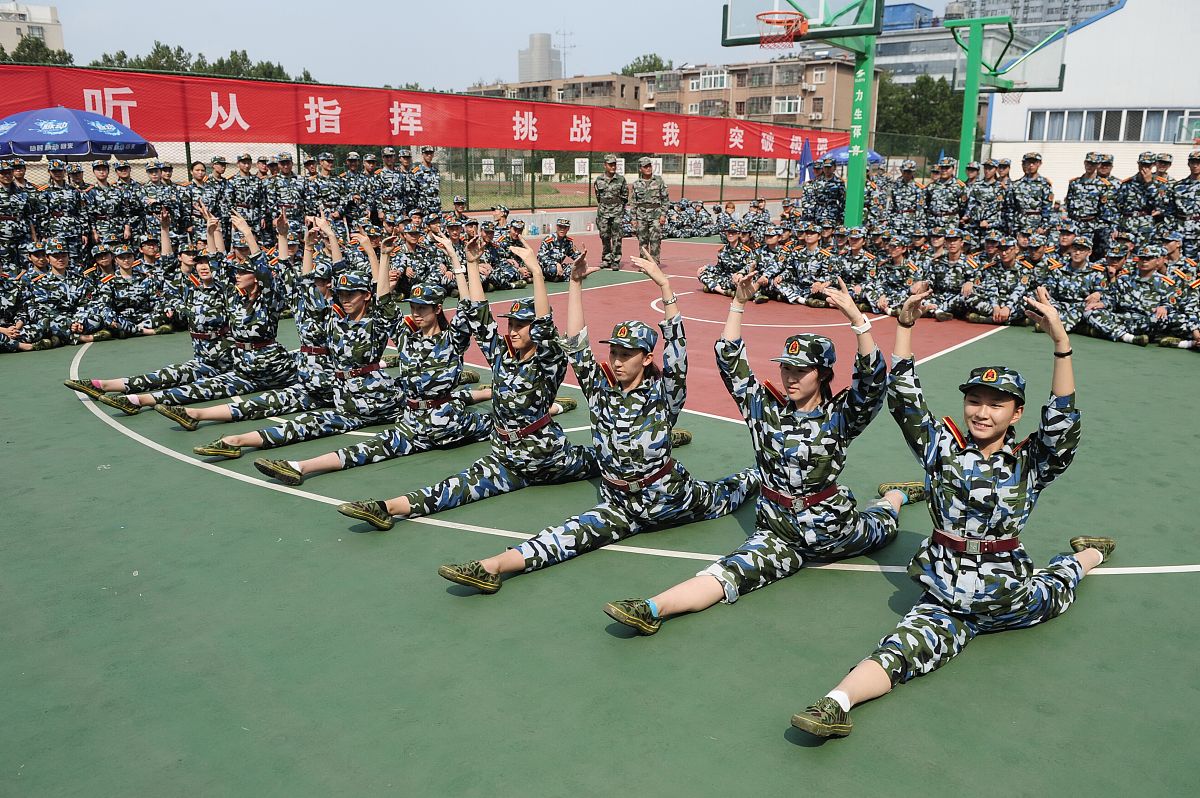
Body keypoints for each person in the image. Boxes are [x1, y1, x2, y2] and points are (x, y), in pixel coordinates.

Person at [789, 284, 1116, 740]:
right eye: (975, 401)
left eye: (996, 404)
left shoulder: (1032, 461)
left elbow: (1062, 418)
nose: (982, 412)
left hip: (1008, 596)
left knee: (1059, 585)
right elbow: (904, 399)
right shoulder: (940, 448)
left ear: (1017, 412)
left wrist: (1062, 345)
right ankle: (835, 703)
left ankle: (1087, 555)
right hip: (945, 594)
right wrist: (904, 327)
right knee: (901, 647)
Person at [601, 272, 923, 635]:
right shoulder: (762, 408)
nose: (790, 377)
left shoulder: (841, 415)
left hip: (835, 528)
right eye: (786, 367)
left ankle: (895, 496)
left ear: (823, 374)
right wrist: (738, 303)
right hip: (777, 529)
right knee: (729, 571)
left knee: (882, 524)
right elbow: (730, 361)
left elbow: (872, 382)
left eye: (801, 370)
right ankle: (651, 608)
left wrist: (858, 321)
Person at [436, 249, 756, 595]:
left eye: (626, 354)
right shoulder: (600, 389)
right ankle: (491, 567)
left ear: (647, 358)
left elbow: (678, 350)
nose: (617, 361)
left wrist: (665, 286)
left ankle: (758, 474)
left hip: (671, 498)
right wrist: (574, 283)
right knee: (567, 534)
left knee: (732, 491)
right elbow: (576, 344)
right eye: (614, 352)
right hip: (619, 502)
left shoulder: (664, 394)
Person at [336, 236, 591, 530]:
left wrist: (536, 273)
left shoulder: (548, 361)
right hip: (508, 458)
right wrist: (470, 264)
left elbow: (547, 328)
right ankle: (385, 507)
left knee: (605, 462)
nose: (513, 329)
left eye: (522, 324)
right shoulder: (502, 356)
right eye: (512, 323)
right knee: (457, 485)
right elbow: (480, 316)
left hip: (549, 457)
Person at [251, 235, 493, 486]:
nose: (416, 313)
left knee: (502, 419)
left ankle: (495, 394)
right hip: (413, 423)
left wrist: (461, 262)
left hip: (452, 423)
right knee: (368, 448)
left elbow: (470, 308)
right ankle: (299, 467)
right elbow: (384, 302)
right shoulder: (405, 338)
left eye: (423, 308)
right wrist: (385, 256)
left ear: (438, 309)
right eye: (413, 307)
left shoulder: (452, 340)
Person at [594, 154, 629, 270]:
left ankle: (615, 260)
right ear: (605, 165)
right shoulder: (599, 180)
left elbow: (625, 196)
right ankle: (606, 259)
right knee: (604, 236)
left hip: (617, 212)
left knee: (617, 237)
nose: (613, 167)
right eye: (610, 165)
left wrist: (619, 209)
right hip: (603, 212)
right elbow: (598, 196)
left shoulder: (621, 179)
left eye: (614, 164)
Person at [631, 157, 669, 261]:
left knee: (655, 239)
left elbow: (665, 199)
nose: (648, 168)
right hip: (641, 216)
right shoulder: (636, 184)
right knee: (642, 240)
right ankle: (644, 262)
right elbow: (633, 202)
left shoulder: (659, 181)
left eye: (649, 166)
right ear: (640, 169)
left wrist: (663, 215)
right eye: (645, 166)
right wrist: (633, 218)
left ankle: (654, 261)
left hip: (655, 215)